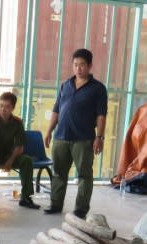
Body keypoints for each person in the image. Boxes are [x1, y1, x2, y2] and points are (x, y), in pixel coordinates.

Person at [44, 48, 107, 218]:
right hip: (61, 137)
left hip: (84, 139)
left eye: (82, 65)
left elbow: (101, 115)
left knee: (84, 176)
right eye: (75, 65)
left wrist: (99, 137)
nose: (78, 69)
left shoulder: (98, 89)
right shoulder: (65, 85)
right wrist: (49, 131)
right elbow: (57, 109)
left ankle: (81, 209)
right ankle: (55, 204)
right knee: (58, 173)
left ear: (90, 66)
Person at [0, 92, 37, 211]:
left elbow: (20, 146)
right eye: (1, 106)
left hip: (6, 155)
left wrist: (10, 161)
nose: (3, 109)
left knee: (26, 161)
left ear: (13, 108)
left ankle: (25, 197)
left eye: (7, 107)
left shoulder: (17, 122)